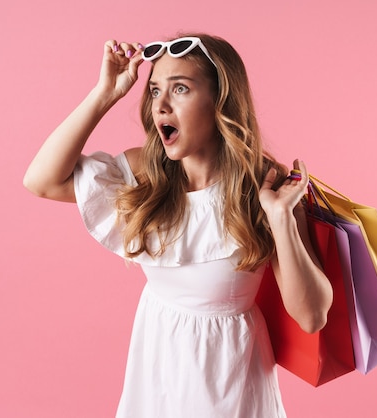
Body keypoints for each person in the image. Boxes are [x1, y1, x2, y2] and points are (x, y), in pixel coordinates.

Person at [23, 33, 333, 418]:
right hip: (156, 371)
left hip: (229, 380)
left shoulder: (264, 185)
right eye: (154, 91)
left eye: (180, 89)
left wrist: (281, 219)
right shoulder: (144, 173)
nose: (161, 106)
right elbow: (42, 181)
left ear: (221, 100)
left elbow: (311, 316)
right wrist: (105, 94)